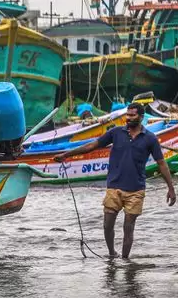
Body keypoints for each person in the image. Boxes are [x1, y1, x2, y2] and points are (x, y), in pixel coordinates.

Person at [54, 103, 176, 258]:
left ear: (141, 117)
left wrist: (171, 188)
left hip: (136, 190)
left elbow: (161, 163)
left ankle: (125, 260)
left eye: (132, 115)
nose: (128, 118)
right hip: (114, 186)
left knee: (128, 227)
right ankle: (112, 253)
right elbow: (92, 145)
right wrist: (67, 155)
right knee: (107, 225)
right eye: (128, 115)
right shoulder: (116, 133)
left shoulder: (150, 139)